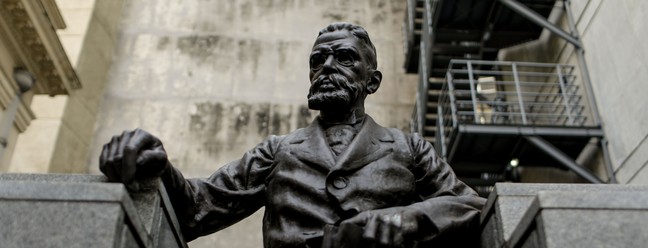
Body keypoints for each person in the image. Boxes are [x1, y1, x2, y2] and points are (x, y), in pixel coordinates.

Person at [100, 23, 485, 248]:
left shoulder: (409, 148)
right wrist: (157, 164)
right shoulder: (278, 150)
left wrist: (402, 221)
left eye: (344, 58)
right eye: (318, 61)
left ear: (373, 81)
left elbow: (469, 206)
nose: (327, 67)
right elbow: (198, 209)